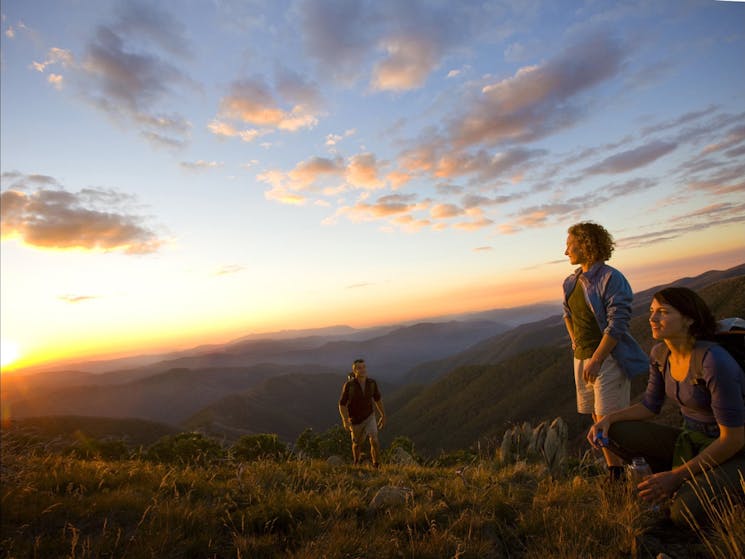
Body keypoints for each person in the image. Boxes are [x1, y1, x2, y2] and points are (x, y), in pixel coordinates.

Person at [588, 287, 745, 526]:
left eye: (662, 312)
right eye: (652, 311)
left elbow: (733, 439)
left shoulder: (713, 362)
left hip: (734, 450)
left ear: (689, 319)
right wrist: (608, 419)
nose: (652, 318)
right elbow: (650, 405)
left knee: (683, 513)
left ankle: (701, 482)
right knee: (615, 432)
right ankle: (683, 477)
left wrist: (676, 477)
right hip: (691, 440)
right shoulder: (661, 354)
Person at [562, 222, 648, 481]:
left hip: (608, 358)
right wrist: (576, 342)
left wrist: (597, 358)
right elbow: (567, 314)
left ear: (586, 244)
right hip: (582, 357)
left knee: (609, 417)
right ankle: (614, 470)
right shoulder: (570, 281)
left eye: (570, 245)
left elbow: (618, 322)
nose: (566, 252)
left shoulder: (611, 278)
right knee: (595, 413)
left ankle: (624, 472)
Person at [338, 358, 386, 467]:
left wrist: (383, 415)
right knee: (357, 444)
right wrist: (345, 420)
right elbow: (342, 405)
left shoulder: (372, 383)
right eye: (359, 368)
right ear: (355, 371)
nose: (362, 370)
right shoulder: (349, 386)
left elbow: (378, 399)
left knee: (374, 440)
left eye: (364, 367)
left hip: (370, 416)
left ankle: (376, 465)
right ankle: (357, 462)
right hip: (355, 420)